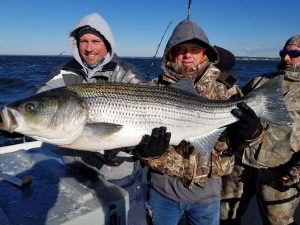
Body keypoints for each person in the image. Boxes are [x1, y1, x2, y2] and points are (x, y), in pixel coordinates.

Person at [37, 12, 164, 225]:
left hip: (121, 176)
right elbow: (41, 101)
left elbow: (146, 115)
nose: (89, 48)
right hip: (76, 175)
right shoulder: (62, 74)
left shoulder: (126, 74)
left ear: (107, 43)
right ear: (75, 44)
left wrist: (144, 149)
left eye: (95, 41)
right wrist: (11, 118)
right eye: (83, 41)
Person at [137, 19, 262, 225]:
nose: (187, 55)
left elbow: (249, 144)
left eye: (194, 49)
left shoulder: (225, 89)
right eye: (181, 49)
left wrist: (252, 132)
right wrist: (145, 151)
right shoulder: (153, 88)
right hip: (163, 190)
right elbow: (135, 134)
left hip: (208, 195)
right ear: (171, 53)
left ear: (204, 53)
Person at [220, 35, 300, 225]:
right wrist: (219, 75)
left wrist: (297, 171)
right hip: (240, 166)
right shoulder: (261, 80)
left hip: (280, 171)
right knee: (226, 216)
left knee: (277, 221)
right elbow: (236, 101)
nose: (286, 58)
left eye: (294, 53)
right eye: (284, 52)